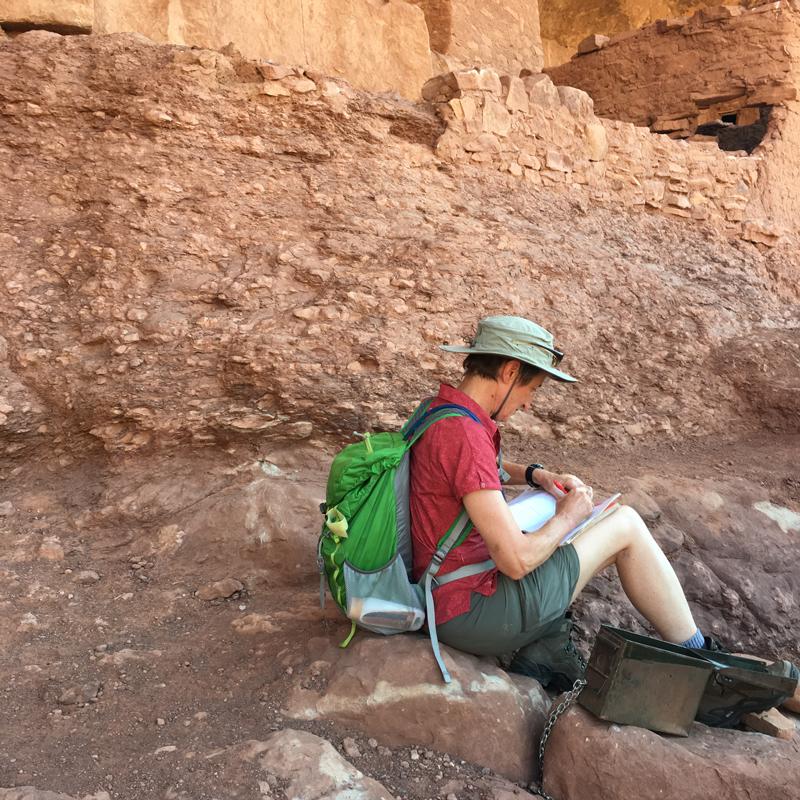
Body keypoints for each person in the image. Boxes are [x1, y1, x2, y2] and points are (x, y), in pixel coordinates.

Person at [409, 314, 717, 689]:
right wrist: (570, 517)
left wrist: (536, 475)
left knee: (551, 520)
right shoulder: (466, 435)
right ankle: (705, 664)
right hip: (469, 612)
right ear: (509, 371)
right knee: (626, 525)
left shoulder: (439, 411)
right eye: (533, 389)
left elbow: (471, 470)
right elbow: (517, 561)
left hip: (440, 585)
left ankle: (546, 649)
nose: (527, 405)